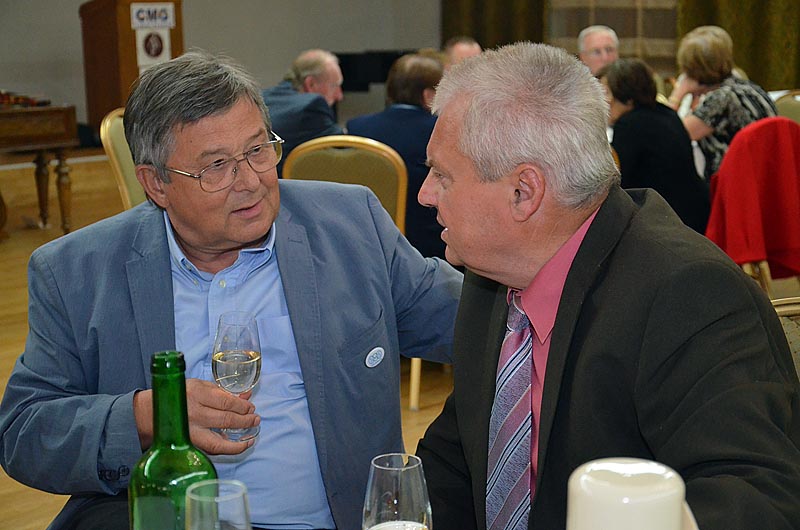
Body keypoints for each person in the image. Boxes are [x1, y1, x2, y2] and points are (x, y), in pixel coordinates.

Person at [0, 50, 463, 530]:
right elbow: (23, 432)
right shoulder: (77, 271)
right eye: (216, 166)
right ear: (156, 183)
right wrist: (146, 416)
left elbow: (476, 322)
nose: (251, 182)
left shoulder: (349, 225)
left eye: (258, 150)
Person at [415, 42, 800, 530]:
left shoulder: (688, 294)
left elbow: (757, 494)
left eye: (442, 175)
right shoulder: (494, 277)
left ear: (523, 191)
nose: (425, 194)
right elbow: (455, 459)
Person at [347, 53, 446, 259]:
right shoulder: (439, 131)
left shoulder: (356, 128)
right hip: (426, 248)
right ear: (429, 96)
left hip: (366, 244)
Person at [598, 58, 709, 233]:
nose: (603, 101)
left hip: (669, 220)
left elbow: (617, 182)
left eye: (607, 93)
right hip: (696, 212)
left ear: (627, 97)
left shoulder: (630, 125)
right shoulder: (666, 113)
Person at [667, 26, 776, 179]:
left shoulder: (721, 99)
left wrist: (678, 94)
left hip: (735, 182)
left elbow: (668, 135)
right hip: (765, 179)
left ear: (692, 70)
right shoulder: (750, 88)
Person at [261, 49, 344, 176]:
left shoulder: (261, 97)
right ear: (311, 84)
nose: (339, 96)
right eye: (334, 86)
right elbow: (345, 147)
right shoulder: (311, 105)